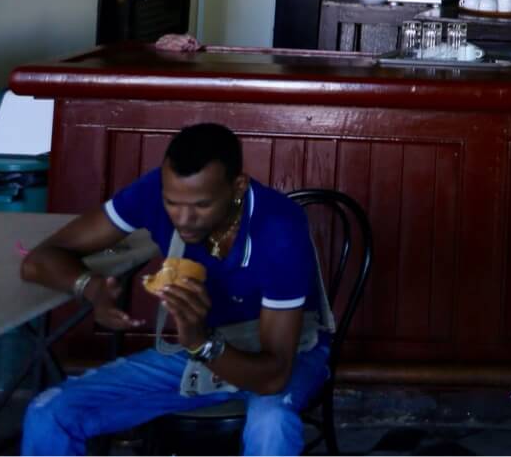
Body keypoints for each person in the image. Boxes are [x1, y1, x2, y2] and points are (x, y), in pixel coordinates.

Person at [20, 123, 332, 456]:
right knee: (50, 412)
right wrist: (91, 287)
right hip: (198, 348)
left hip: (289, 352)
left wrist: (201, 341)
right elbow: (38, 261)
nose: (183, 219)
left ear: (238, 186)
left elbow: (273, 377)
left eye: (201, 205)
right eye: (172, 203)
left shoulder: (279, 228)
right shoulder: (152, 191)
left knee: (271, 423)